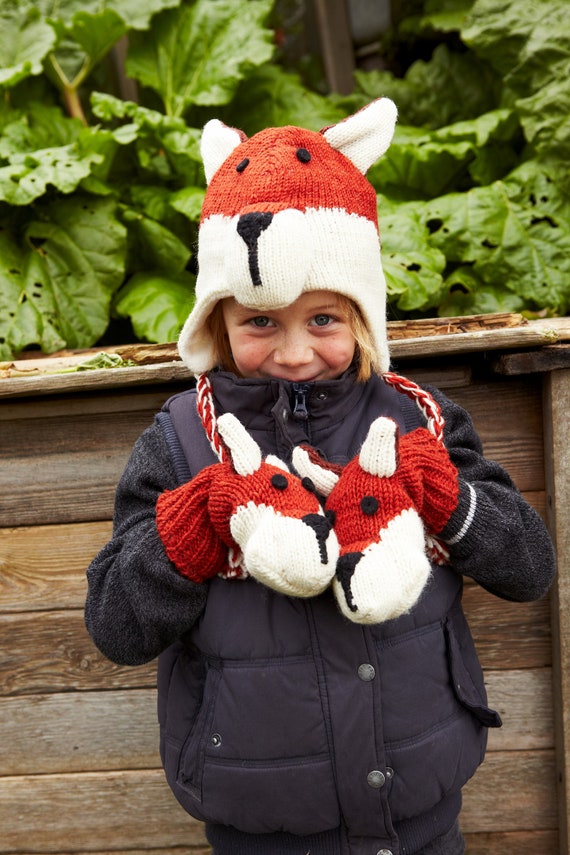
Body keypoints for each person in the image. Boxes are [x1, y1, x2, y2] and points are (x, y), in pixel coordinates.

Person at [85, 99, 556, 855]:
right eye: (261, 322)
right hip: (260, 824)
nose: (297, 352)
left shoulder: (421, 423)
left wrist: (447, 496)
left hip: (425, 816)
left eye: (326, 320)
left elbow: (529, 567)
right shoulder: (178, 443)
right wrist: (200, 517)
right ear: (216, 324)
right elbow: (114, 625)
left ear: (364, 318)